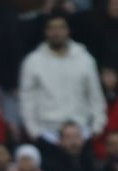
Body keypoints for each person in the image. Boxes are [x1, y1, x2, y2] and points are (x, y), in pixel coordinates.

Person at [19, 16, 105, 144]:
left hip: (81, 131)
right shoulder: (33, 61)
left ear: (67, 31)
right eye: (52, 28)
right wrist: (34, 131)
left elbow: (95, 94)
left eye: (60, 28)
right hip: (48, 132)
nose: (57, 32)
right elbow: (27, 99)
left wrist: (97, 126)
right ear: (46, 32)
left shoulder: (85, 59)